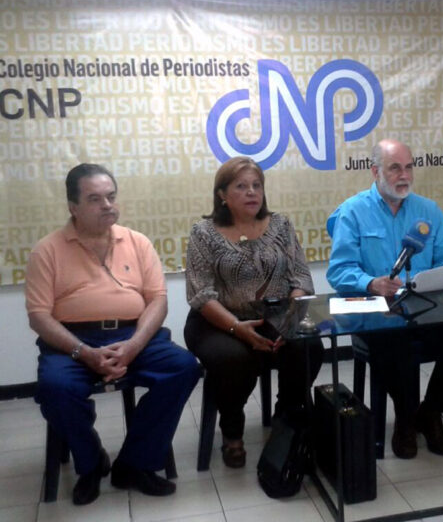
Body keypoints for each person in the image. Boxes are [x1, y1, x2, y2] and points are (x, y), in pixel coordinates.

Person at [25, 164, 200, 505]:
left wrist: (134, 345)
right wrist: (84, 353)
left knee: (183, 368)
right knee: (55, 388)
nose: (107, 205)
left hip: (134, 334)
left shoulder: (137, 241)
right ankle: (92, 462)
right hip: (72, 342)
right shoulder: (47, 250)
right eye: (94, 199)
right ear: (73, 207)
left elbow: (158, 300)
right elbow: (39, 317)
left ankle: (135, 463)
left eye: (111, 196)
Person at [326, 139, 443, 459]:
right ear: (375, 171)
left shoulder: (428, 210)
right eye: (395, 168)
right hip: (379, 314)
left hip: (426, 308)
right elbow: (338, 271)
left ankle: (430, 411)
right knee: (396, 340)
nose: (404, 175)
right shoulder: (353, 211)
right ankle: (405, 420)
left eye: (409, 167)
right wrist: (370, 282)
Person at [184, 156, 323, 470]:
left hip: (275, 315)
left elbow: (301, 279)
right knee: (236, 358)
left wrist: (290, 320)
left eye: (256, 185)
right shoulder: (204, 232)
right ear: (222, 194)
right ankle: (232, 430)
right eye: (241, 186)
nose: (251, 192)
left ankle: (286, 417)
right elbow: (200, 294)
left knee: (308, 347)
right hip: (217, 321)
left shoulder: (281, 225)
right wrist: (238, 328)